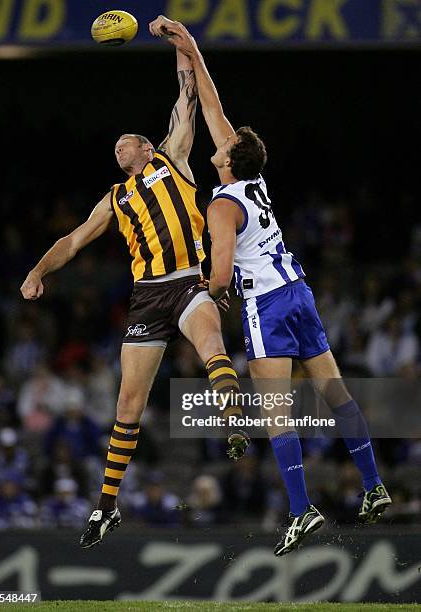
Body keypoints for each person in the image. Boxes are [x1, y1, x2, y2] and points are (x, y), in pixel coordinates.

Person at [150, 15, 392, 556]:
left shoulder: (221, 202)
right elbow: (212, 108)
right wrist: (188, 47)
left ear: (229, 159)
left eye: (225, 144)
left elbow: (216, 275)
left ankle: (302, 509)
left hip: (266, 304)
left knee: (276, 412)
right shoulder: (253, 181)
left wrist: (202, 292)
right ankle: (374, 486)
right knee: (336, 393)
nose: (220, 140)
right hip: (299, 292)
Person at [20, 44, 249, 549]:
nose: (119, 147)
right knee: (127, 403)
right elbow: (73, 240)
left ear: (149, 149)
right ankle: (106, 507)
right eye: (116, 145)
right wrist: (38, 270)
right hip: (147, 297)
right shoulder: (115, 197)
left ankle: (231, 412)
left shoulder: (174, 160)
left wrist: (178, 45)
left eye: (129, 142)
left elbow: (186, 96)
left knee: (211, 340)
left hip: (188, 279)